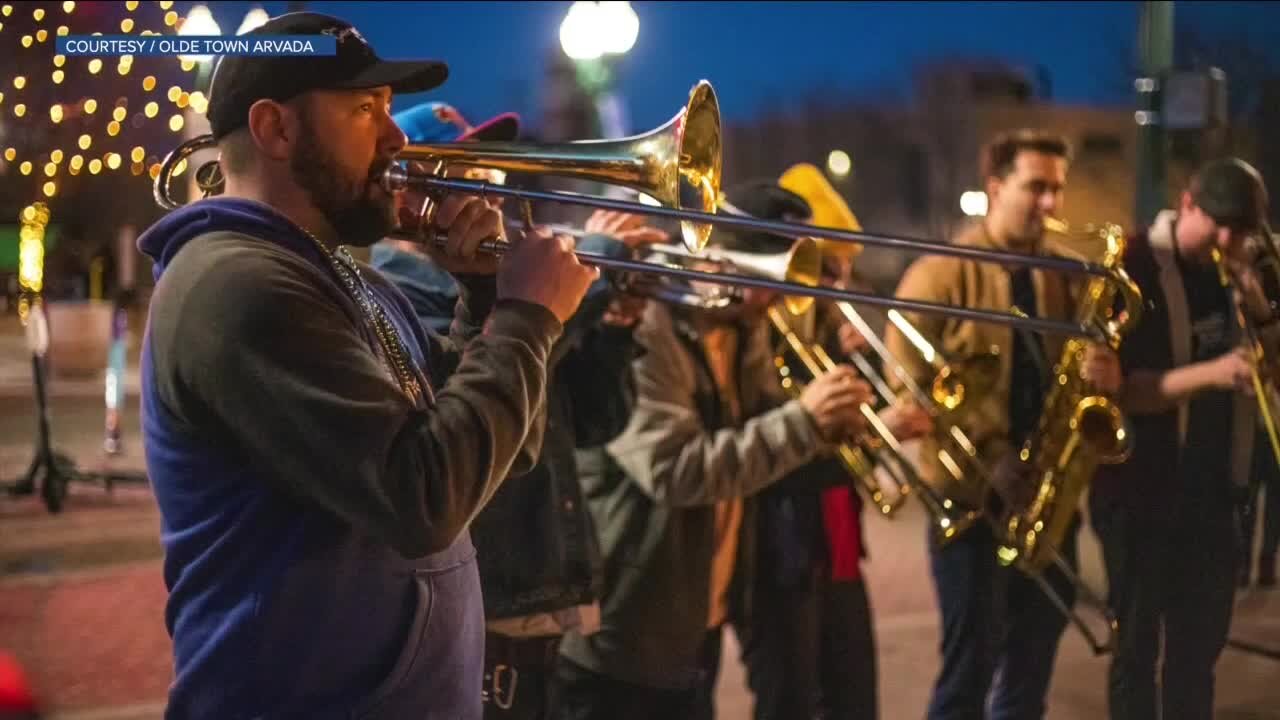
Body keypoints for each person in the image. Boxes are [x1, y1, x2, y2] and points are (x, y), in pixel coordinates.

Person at [135, 12, 597, 719]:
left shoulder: (347, 280)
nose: (397, 137)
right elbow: (422, 500)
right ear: (277, 130)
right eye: (363, 109)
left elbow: (501, 456)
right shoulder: (235, 285)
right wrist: (527, 316)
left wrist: (482, 292)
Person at [552, 180, 918, 720]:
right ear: (724, 264)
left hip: (698, 616)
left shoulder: (741, 331)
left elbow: (759, 440)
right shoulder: (647, 331)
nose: (782, 297)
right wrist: (804, 422)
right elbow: (674, 470)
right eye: (773, 276)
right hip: (625, 628)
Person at [369, 100, 659, 719]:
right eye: (466, 172)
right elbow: (457, 417)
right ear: (406, 194)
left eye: (491, 172)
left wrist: (615, 326)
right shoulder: (395, 294)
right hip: (486, 599)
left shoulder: (490, 286)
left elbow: (589, 421)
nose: (490, 189)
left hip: (543, 594)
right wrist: (584, 270)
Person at [883, 129, 1122, 720]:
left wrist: (1103, 371)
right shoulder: (939, 275)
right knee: (967, 673)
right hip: (970, 506)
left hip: (1046, 499)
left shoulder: (1065, 276)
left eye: (1057, 189)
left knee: (1028, 677)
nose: (1051, 203)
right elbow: (909, 387)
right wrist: (988, 455)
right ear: (995, 187)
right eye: (1036, 187)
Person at [728, 165, 923, 720]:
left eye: (840, 269)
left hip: (834, 537)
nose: (837, 283)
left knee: (854, 692)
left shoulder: (830, 334)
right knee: (790, 695)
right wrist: (872, 422)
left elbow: (847, 432)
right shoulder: (760, 331)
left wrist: (876, 411)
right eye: (826, 267)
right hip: (778, 539)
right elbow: (773, 436)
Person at [1090, 157, 1272, 719]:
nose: (1226, 241)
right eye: (1219, 224)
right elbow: (1123, 391)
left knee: (1197, 658)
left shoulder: (1241, 272)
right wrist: (1213, 375)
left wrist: (1259, 305)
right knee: (1137, 654)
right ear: (1188, 204)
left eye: (1240, 231)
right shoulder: (1135, 264)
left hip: (1215, 497)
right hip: (1143, 495)